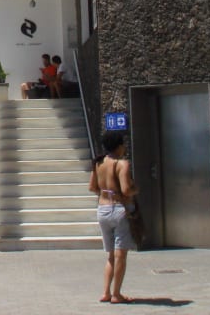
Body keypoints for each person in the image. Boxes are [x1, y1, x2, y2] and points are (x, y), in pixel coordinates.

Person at [89, 131, 138, 305]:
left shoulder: (98, 163)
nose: (124, 147)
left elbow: (92, 187)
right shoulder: (122, 164)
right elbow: (125, 189)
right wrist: (135, 190)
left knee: (110, 255)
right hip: (119, 209)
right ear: (118, 146)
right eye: (123, 144)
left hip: (102, 209)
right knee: (120, 255)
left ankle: (106, 292)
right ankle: (117, 294)